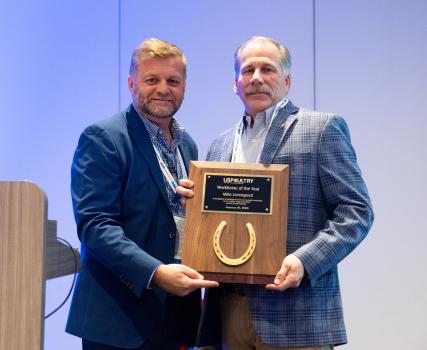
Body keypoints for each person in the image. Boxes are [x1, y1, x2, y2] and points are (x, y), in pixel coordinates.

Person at [177, 36, 374, 349]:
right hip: (229, 311)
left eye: (267, 69)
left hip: (296, 312)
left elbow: (356, 212)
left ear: (287, 80)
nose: (256, 78)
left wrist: (304, 262)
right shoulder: (219, 145)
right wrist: (191, 203)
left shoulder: (321, 129)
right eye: (248, 70)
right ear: (235, 83)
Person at [66, 38, 218, 350]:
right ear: (132, 83)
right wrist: (156, 273)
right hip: (118, 319)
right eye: (152, 79)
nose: (163, 88)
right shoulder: (104, 138)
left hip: (176, 316)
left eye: (173, 81)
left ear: (184, 86)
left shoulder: (186, 144)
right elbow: (96, 226)